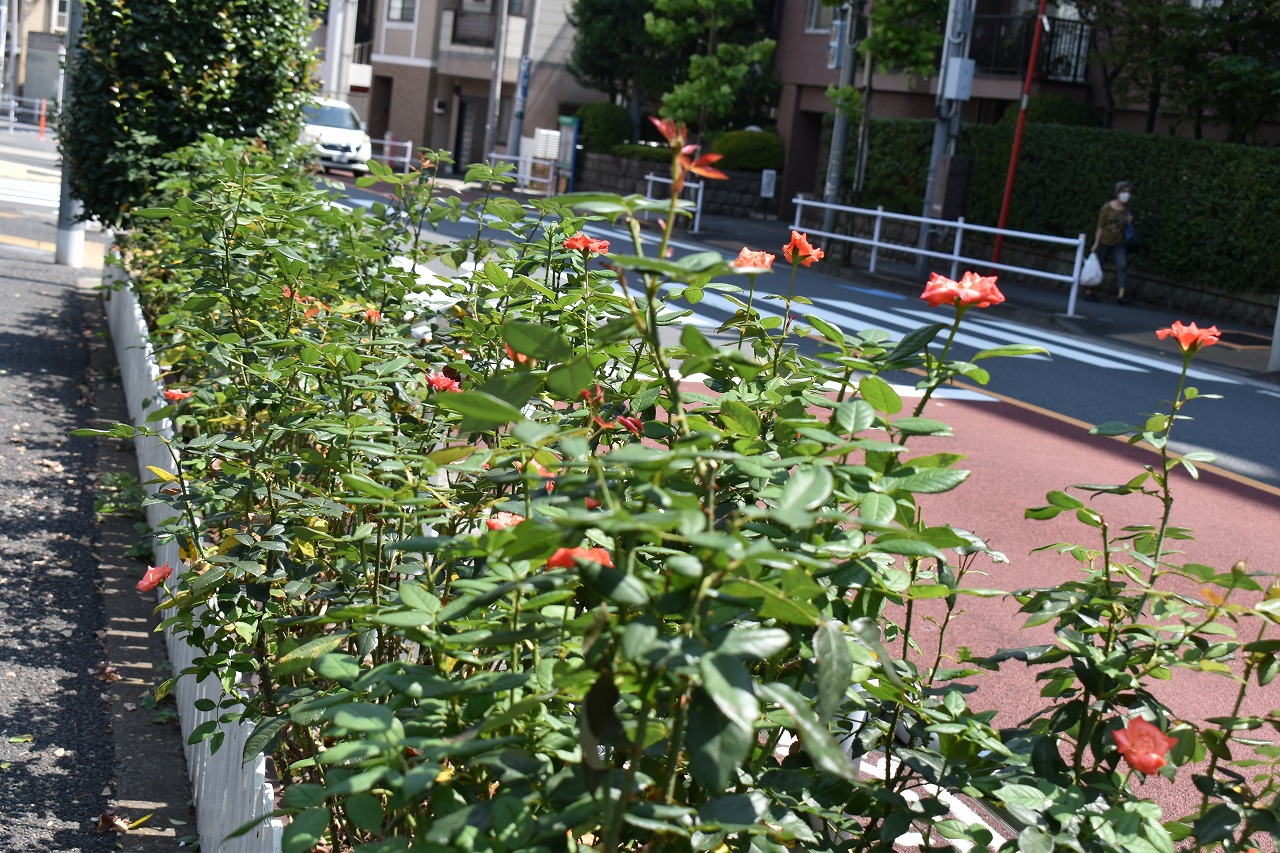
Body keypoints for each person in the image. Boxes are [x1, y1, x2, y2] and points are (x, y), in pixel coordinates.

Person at [1086, 180, 1134, 304]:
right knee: (1098, 266)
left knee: (1122, 266)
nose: (1126, 194)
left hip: (1119, 242)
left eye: (1128, 192)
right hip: (1104, 241)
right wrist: (1096, 243)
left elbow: (1127, 226)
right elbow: (1100, 226)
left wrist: (1129, 221)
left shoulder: (1127, 208)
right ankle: (1090, 291)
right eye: (1123, 191)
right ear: (1117, 193)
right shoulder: (1107, 207)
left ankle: (1121, 295)